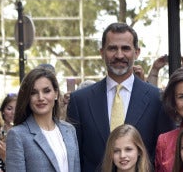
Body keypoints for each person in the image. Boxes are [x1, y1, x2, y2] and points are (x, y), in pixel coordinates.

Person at [67, 22, 174, 171]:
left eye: (125, 48)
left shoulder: (158, 99)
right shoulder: (80, 101)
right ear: (102, 52)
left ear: (136, 52)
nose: (119, 55)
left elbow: (164, 156)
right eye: (112, 48)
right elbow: (74, 158)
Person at [6, 68, 81, 172]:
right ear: (27, 98)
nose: (40, 97)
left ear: (56, 94)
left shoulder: (69, 130)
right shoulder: (17, 135)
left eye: (46, 91)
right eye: (33, 92)